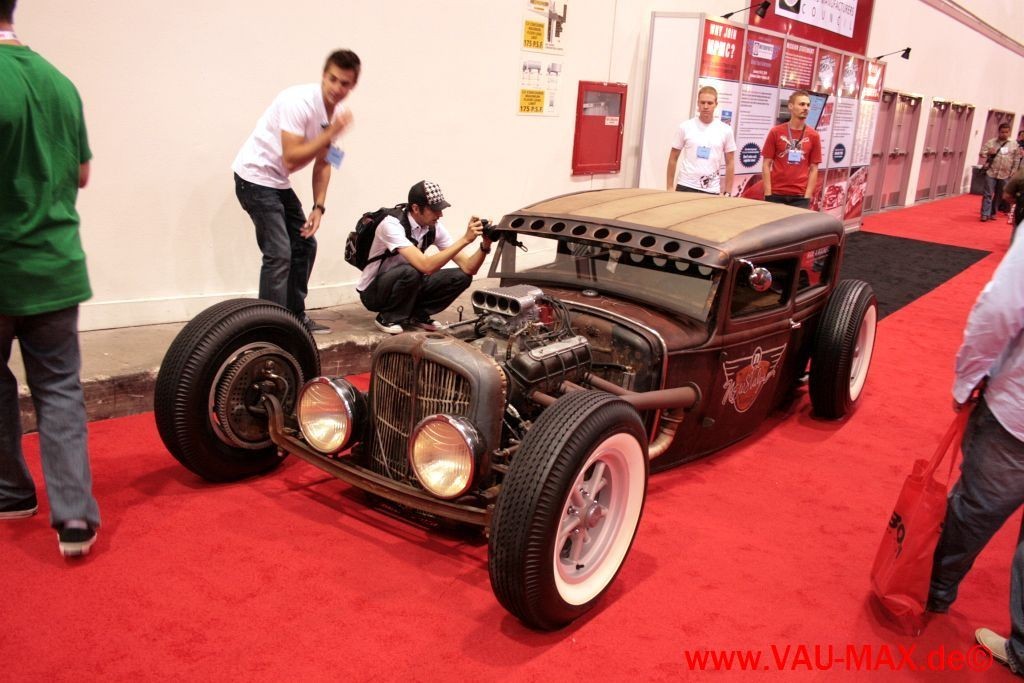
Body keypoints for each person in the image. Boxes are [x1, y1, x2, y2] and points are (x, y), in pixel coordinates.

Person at [0, 0, 101, 557]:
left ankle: (12, 492)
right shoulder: (60, 82)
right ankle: (75, 517)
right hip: (57, 264)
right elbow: (81, 173)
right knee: (60, 389)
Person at [927, 234, 1024, 674]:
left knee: (974, 511)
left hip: (1016, 415)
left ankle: (932, 592)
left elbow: (1000, 308)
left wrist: (967, 379)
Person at [232, 49, 361, 334]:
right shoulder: (298, 102)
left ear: (352, 86)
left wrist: (319, 207)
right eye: (333, 79)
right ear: (324, 76)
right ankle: (267, 328)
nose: (337, 88)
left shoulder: (338, 115)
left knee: (304, 245)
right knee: (279, 253)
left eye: (344, 83)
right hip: (253, 178)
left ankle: (293, 317)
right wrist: (330, 132)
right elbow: (291, 158)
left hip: (277, 181)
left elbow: (325, 162)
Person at [357, 180, 490, 334]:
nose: (440, 214)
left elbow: (469, 268)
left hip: (408, 283)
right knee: (412, 271)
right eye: (435, 210)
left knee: (462, 277)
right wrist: (465, 239)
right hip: (374, 292)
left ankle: (417, 315)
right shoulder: (391, 225)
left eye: (441, 209)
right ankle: (388, 317)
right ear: (415, 208)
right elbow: (426, 266)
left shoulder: (434, 227)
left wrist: (485, 244)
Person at [665, 86, 736, 195]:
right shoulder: (685, 127)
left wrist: (728, 191)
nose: (705, 106)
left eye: (709, 103)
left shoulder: (726, 130)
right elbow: (673, 158)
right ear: (698, 103)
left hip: (711, 190)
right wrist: (669, 187)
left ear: (716, 104)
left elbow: (730, 162)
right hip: (685, 186)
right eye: (702, 103)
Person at [761, 91, 822, 208]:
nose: (806, 108)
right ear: (790, 106)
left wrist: (807, 196)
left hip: (800, 197)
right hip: (776, 194)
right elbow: (766, 164)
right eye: (802, 104)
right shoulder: (776, 132)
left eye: (808, 105)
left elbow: (814, 169)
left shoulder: (813, 135)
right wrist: (768, 193)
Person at [978, 123, 1021, 222]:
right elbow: (981, 154)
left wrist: (1014, 171)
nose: (1004, 134)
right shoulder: (991, 142)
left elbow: (1016, 158)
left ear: (1009, 132)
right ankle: (985, 214)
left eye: (1006, 132)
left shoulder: (1014, 144)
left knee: (999, 194)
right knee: (988, 193)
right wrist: (988, 153)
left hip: (1005, 173)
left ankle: (993, 213)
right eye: (1002, 132)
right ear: (999, 132)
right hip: (991, 172)